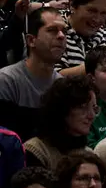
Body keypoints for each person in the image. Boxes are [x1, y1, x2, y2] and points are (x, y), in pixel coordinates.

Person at [0, 8, 65, 138]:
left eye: (65, 31)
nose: (62, 36)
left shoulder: (61, 84)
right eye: (52, 30)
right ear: (31, 40)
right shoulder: (6, 80)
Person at [24, 76, 95, 173]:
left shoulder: (89, 153)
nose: (91, 116)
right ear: (62, 109)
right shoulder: (36, 150)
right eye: (83, 107)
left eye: (94, 108)